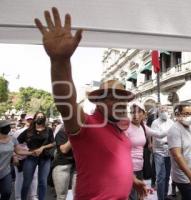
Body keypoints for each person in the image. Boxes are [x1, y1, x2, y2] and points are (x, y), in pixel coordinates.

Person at [34, 7, 147, 200]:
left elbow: (113, 161)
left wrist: (131, 179)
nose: (120, 102)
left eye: (123, 97)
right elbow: (65, 102)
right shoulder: (87, 124)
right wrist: (60, 62)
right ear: (98, 102)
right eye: (113, 97)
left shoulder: (118, 129)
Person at [127, 101, 169, 200]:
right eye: (132, 112)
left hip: (139, 168)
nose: (135, 115)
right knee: (132, 196)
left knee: (139, 195)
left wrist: (174, 128)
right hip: (129, 169)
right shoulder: (126, 127)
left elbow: (159, 134)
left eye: (138, 112)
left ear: (144, 114)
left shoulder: (143, 126)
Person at [168, 103, 191, 200]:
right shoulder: (174, 130)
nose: (189, 117)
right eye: (186, 114)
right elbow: (177, 155)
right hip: (185, 178)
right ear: (177, 114)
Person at [17, 112, 55, 200]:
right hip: (31, 157)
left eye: (42, 116)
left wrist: (42, 147)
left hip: (45, 158)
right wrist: (23, 152)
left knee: (42, 182)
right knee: (27, 182)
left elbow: (53, 143)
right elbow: (17, 142)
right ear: (34, 118)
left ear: (45, 118)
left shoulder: (48, 130)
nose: (40, 118)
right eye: (38, 116)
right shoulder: (28, 131)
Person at [0, 120, 33, 200]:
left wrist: (32, 153)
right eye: (5, 127)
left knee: (7, 192)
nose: (8, 128)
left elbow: (18, 151)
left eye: (8, 126)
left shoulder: (12, 139)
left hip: (5, 171)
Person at [11, 115, 38, 200]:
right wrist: (14, 156)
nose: (30, 121)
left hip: (32, 157)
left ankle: (33, 196)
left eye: (31, 119)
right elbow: (12, 145)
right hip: (20, 158)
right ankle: (18, 197)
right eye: (28, 119)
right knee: (20, 178)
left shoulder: (37, 132)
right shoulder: (18, 132)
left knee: (34, 176)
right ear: (24, 121)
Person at [151, 105, 174, 200]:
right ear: (159, 112)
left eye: (165, 110)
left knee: (168, 175)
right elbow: (157, 136)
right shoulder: (155, 123)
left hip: (169, 150)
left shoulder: (171, 121)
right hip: (159, 151)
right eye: (162, 110)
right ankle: (161, 198)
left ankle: (165, 195)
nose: (164, 112)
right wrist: (168, 133)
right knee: (161, 176)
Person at [52, 124, 76, 200]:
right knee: (62, 196)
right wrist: (74, 136)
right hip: (62, 165)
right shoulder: (61, 133)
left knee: (78, 195)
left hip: (77, 167)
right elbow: (64, 149)